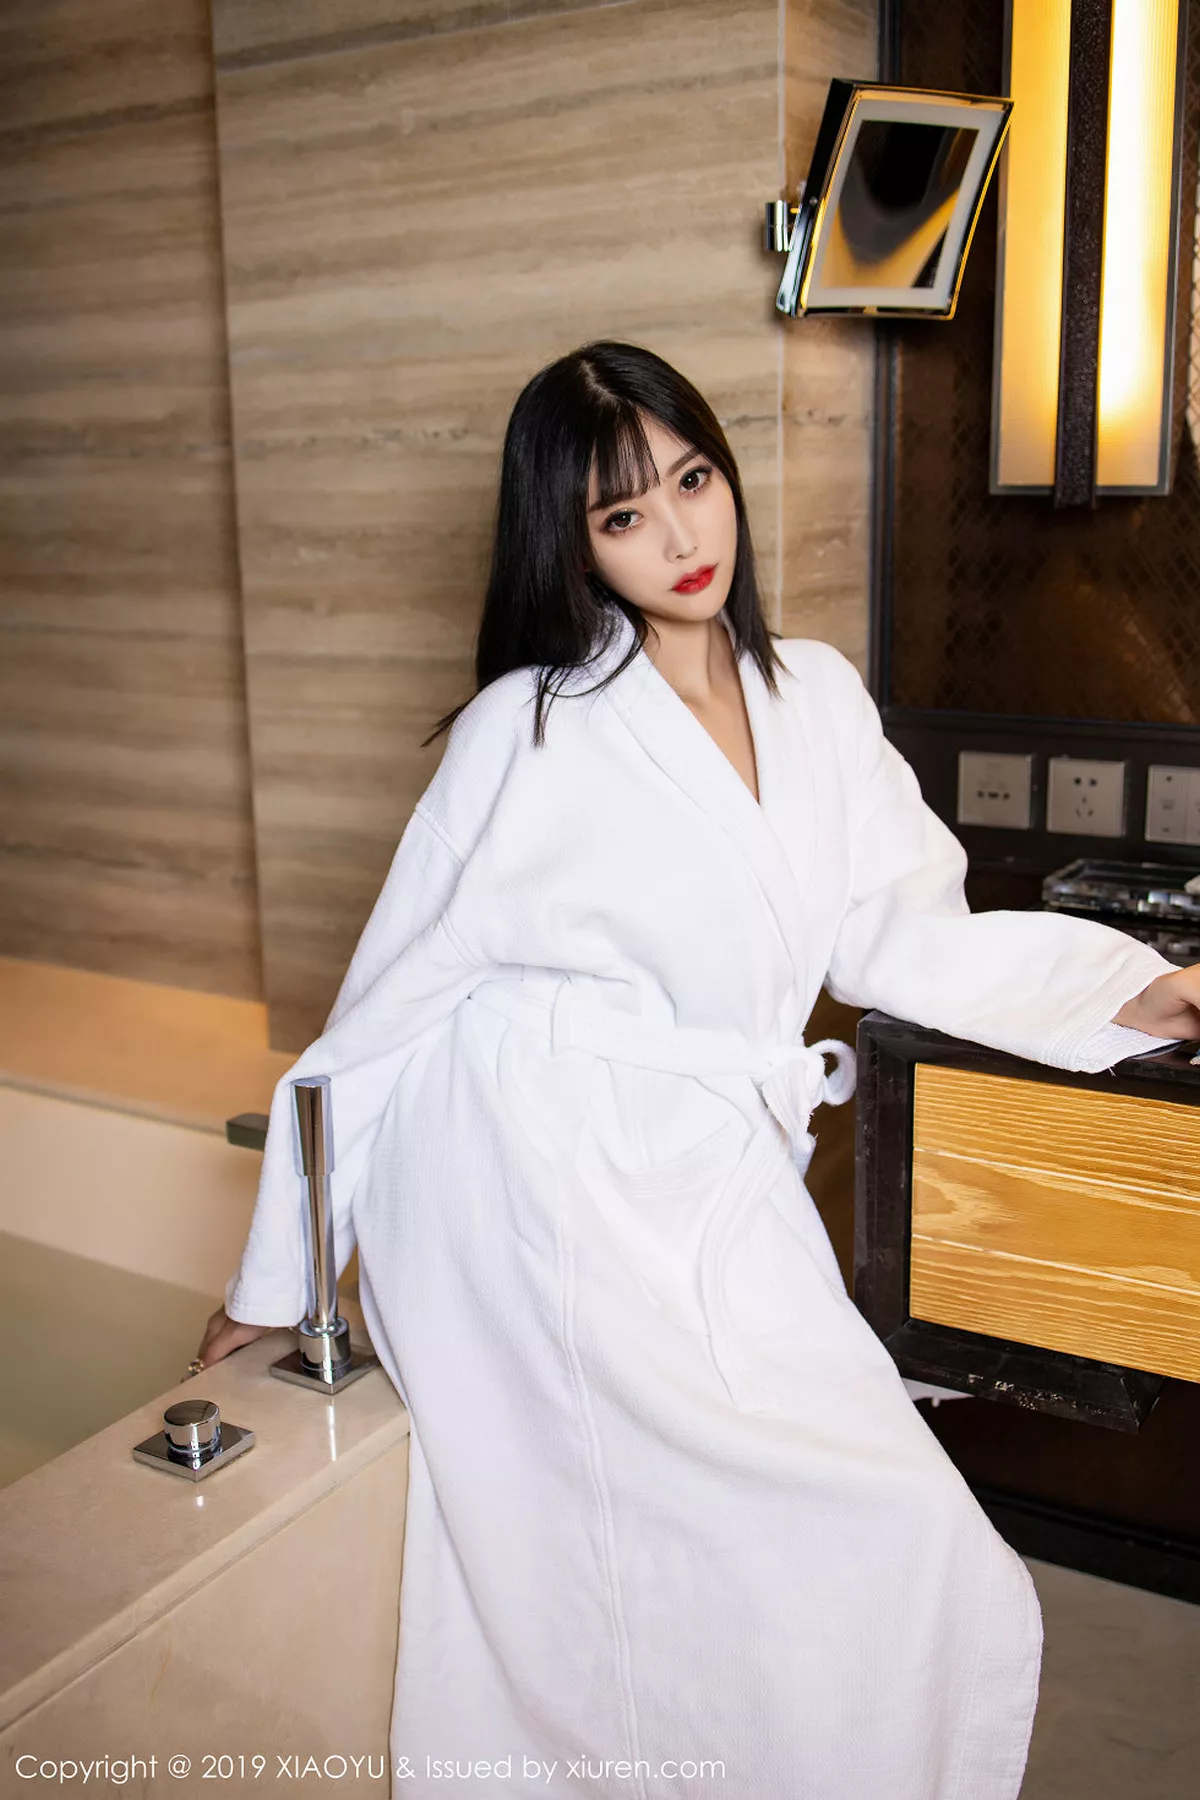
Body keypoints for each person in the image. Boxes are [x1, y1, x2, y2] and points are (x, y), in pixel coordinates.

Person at [197, 342, 1198, 1799]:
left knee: (909, 1537)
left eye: (692, 479)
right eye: (624, 514)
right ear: (573, 544)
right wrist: (276, 1279)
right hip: (535, 1159)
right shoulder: (531, 728)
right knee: (757, 1525)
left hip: (706, 1152)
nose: (679, 535)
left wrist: (1137, 990)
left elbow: (909, 935)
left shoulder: (818, 699)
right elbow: (388, 1006)